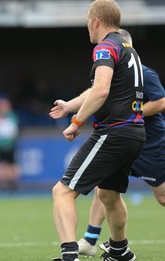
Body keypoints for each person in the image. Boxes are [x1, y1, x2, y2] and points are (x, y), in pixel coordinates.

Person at [49, 1, 145, 261]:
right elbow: (102, 90)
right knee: (108, 194)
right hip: (135, 132)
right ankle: (120, 250)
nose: (87, 27)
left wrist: (76, 122)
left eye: (87, 21)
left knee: (63, 191)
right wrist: (70, 106)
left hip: (114, 132)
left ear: (96, 21)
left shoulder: (105, 47)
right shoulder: (127, 47)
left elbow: (101, 90)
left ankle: (69, 255)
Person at [77, 28, 165, 257]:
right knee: (104, 190)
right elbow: (97, 92)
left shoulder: (144, 73)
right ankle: (89, 240)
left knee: (162, 196)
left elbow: (161, 101)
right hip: (122, 139)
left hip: (149, 143)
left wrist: (132, 112)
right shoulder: (112, 75)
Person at [0, 96, 20, 191]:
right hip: (0, 145)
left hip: (11, 145)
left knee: (12, 164)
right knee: (1, 164)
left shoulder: (12, 116)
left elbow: (14, 130)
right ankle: (2, 184)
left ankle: (13, 183)